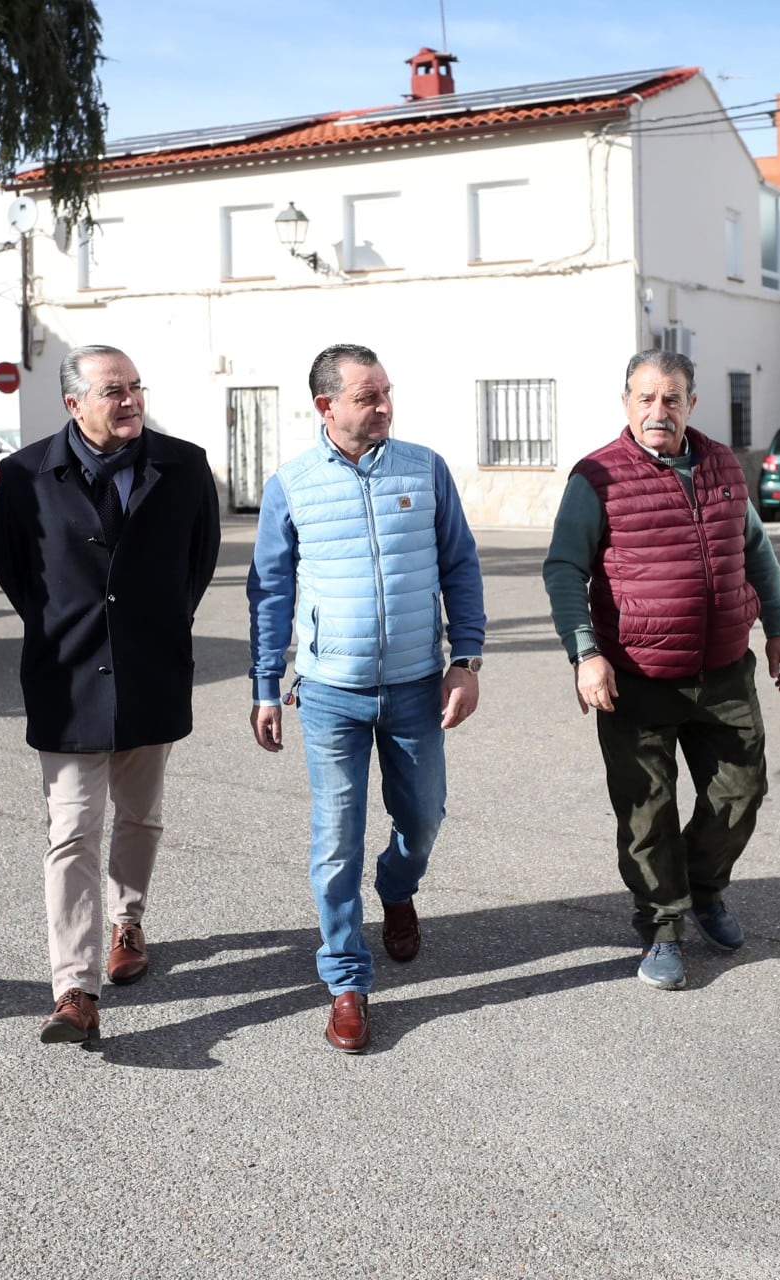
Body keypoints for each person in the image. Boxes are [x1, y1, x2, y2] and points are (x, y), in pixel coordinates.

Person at [247, 343, 486, 1053]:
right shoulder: (292, 484)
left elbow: (460, 565)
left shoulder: (425, 468)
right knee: (335, 838)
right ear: (328, 406)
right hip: (327, 694)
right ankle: (347, 981)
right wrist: (265, 683)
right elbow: (270, 593)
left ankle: (398, 886)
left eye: (386, 393)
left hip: (416, 685)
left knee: (423, 815)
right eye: (367, 396)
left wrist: (465, 659)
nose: (383, 406)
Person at [543, 349, 780, 991]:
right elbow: (565, 570)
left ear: (692, 402)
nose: (659, 410)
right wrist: (586, 654)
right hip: (636, 675)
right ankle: (662, 926)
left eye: (672, 398)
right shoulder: (596, 476)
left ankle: (704, 892)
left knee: (741, 793)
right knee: (645, 810)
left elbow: (754, 549)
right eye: (646, 398)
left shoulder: (721, 466)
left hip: (724, 671)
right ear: (626, 402)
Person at [0, 345, 220, 1048]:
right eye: (112, 391)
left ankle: (129, 918)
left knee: (140, 816)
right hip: (66, 678)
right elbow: (16, 574)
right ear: (74, 405)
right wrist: (75, 632)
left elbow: (197, 564)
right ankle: (74, 991)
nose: (130, 400)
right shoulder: (24, 474)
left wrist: (151, 627)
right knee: (71, 831)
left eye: (135, 388)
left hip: (152, 669)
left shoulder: (183, 466)